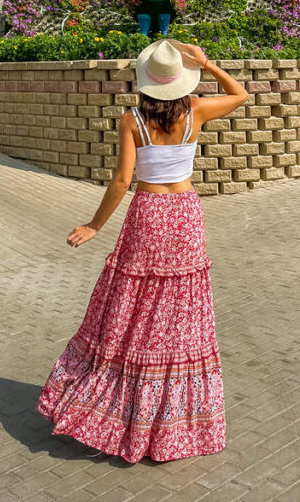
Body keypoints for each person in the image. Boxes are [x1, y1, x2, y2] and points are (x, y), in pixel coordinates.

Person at [36, 38, 249, 463]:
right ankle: (169, 418)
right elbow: (241, 94)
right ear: (180, 82)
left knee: (134, 303)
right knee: (179, 310)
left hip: (148, 212)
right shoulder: (197, 111)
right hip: (185, 213)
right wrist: (207, 63)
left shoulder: (131, 120)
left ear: (145, 83)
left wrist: (94, 225)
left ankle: (120, 402)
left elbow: (121, 181)